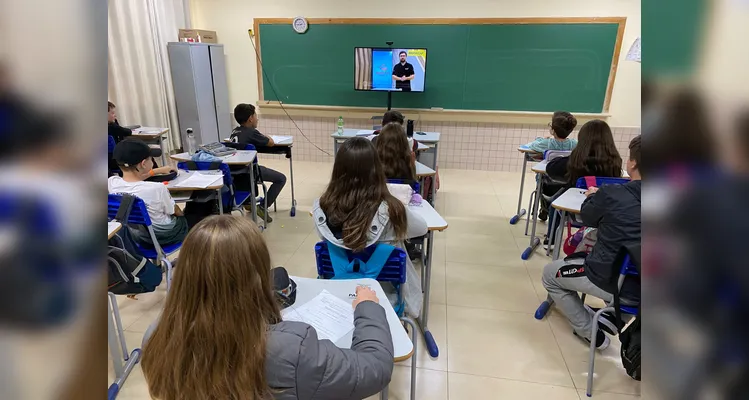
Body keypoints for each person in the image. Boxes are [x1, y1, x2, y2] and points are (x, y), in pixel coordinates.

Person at [141, 215, 394, 400]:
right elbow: (375, 368)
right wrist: (368, 307)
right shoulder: (291, 350)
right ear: (258, 277)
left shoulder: (155, 337)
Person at [541, 135, 641, 350]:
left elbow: (587, 217)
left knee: (550, 274)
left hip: (614, 281)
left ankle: (593, 335)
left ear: (632, 163)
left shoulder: (613, 194)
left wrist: (594, 196)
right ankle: (614, 318)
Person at [313, 137, 427, 316]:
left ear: (337, 170)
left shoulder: (321, 207)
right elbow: (422, 228)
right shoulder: (392, 209)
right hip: (384, 296)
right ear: (376, 169)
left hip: (338, 292)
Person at [544, 119, 623, 247]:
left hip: (573, 209)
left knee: (555, 203)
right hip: (602, 209)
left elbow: (551, 168)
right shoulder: (615, 161)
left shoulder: (576, 159)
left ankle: (551, 240)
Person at [108, 138, 188, 246]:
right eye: (151, 159)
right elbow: (175, 211)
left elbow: (133, 179)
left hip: (132, 238)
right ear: (143, 163)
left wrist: (156, 171)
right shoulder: (157, 188)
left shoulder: (112, 183)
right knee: (192, 211)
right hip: (161, 237)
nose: (152, 161)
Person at [230, 103, 287, 222]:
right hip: (250, 171)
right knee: (281, 178)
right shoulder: (252, 132)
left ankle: (247, 203)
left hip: (235, 173)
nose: (257, 118)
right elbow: (270, 143)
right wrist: (263, 135)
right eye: (255, 115)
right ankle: (262, 207)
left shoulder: (234, 131)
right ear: (250, 118)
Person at [524, 111, 579, 221]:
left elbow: (533, 145)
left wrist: (543, 138)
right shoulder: (575, 144)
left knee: (539, 178)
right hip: (567, 179)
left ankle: (543, 207)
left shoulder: (547, 143)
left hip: (547, 179)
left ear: (553, 130)